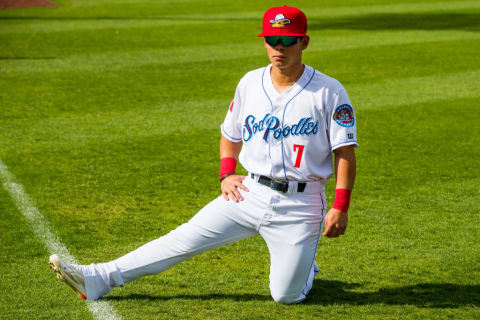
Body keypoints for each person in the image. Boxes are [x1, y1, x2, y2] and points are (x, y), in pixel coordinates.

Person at [49, 5, 358, 304]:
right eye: (271, 39)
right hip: (249, 193)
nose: (279, 46)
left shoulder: (329, 91)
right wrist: (226, 173)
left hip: (301, 206)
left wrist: (340, 206)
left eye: (288, 39)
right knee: (182, 240)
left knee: (286, 296)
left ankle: (304, 263)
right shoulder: (250, 82)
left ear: (304, 42)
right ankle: (97, 278)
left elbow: (344, 152)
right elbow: (230, 133)